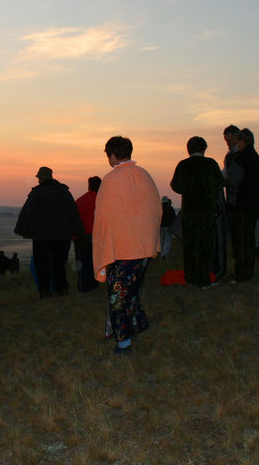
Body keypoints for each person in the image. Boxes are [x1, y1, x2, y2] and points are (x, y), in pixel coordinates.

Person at [93, 136, 161, 355]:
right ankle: (139, 325)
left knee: (118, 297)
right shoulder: (145, 176)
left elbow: (103, 217)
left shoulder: (112, 180)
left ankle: (124, 344)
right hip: (142, 246)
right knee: (132, 292)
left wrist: (104, 246)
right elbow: (154, 210)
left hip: (121, 248)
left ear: (112, 156)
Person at [14, 166, 84, 298]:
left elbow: (27, 213)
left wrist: (20, 229)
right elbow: (74, 213)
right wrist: (78, 231)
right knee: (59, 264)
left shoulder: (37, 193)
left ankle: (45, 292)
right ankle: (61, 289)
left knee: (42, 265)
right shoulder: (64, 192)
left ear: (41, 178)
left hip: (41, 237)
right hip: (62, 236)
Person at [170, 136, 224, 287]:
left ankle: (190, 278)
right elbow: (220, 183)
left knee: (189, 245)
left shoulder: (183, 165)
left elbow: (175, 186)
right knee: (205, 246)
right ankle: (203, 279)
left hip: (189, 210)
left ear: (188, 150)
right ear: (204, 149)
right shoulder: (211, 164)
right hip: (206, 210)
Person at [223, 128, 259, 282]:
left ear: (242, 141)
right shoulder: (256, 158)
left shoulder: (242, 158)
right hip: (254, 205)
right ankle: (248, 273)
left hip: (240, 206)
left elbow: (231, 180)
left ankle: (241, 274)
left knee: (240, 242)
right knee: (249, 240)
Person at [75, 177, 102, 292]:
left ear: (89, 186)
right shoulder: (104, 201)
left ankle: (84, 286)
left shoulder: (80, 200)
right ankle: (94, 284)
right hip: (99, 237)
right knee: (96, 262)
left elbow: (74, 220)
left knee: (83, 263)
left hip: (82, 237)